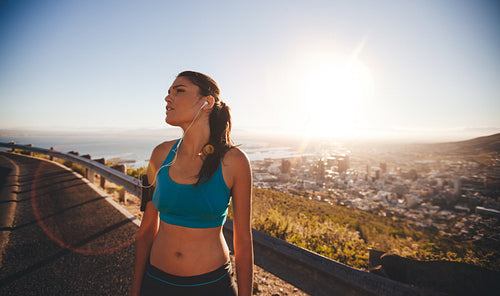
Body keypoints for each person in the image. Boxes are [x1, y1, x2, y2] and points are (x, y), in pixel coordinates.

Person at [131, 71, 253, 296]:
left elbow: (243, 242)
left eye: (179, 91)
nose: (168, 98)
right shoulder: (159, 155)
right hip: (155, 281)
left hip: (211, 286)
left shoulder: (234, 161)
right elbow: (146, 230)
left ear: (207, 102)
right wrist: (136, 291)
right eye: (168, 92)